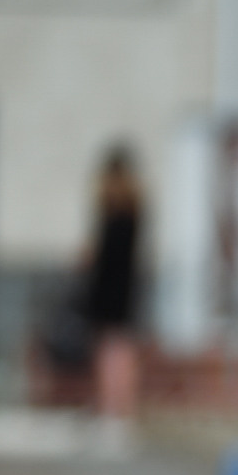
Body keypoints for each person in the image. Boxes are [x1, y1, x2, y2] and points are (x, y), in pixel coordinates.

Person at [83, 145, 144, 422]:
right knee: (123, 347)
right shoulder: (135, 206)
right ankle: (124, 405)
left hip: (109, 285)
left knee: (108, 348)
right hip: (128, 284)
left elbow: (105, 254)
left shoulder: (112, 209)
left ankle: (110, 406)